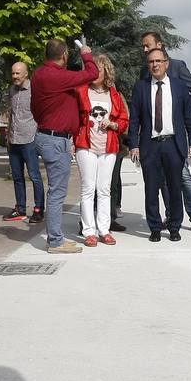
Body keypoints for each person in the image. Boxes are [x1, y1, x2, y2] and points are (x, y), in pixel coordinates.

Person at [31, 38, 98, 254]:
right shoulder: (57, 76)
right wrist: (86, 53)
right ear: (65, 56)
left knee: (55, 191)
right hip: (55, 139)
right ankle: (56, 241)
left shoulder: (39, 74)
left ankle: (54, 238)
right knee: (57, 192)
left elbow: (34, 108)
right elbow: (91, 74)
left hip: (45, 135)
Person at [129, 47, 191, 242]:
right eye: (151, 62)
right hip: (150, 146)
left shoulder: (178, 87)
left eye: (158, 61)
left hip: (173, 145)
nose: (155, 65)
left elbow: (188, 117)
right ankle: (155, 228)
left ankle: (174, 227)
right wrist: (133, 144)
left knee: (175, 188)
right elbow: (134, 119)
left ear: (166, 63)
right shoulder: (141, 87)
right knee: (151, 189)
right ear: (148, 65)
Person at [140, 30, 191, 233]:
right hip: (155, 140)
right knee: (163, 181)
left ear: (159, 44)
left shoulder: (177, 65)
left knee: (183, 176)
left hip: (175, 135)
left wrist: (183, 114)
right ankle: (170, 216)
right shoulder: (146, 70)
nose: (144, 49)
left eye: (147, 45)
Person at [74, 54, 129, 247]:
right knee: (88, 189)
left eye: (99, 69)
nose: (96, 73)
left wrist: (113, 124)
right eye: (93, 69)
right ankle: (89, 231)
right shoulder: (81, 91)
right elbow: (73, 116)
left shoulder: (113, 94)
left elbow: (123, 120)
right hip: (86, 145)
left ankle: (104, 229)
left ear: (107, 71)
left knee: (105, 190)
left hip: (109, 147)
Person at [3, 61, 45, 224]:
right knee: (17, 177)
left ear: (26, 74)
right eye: (13, 73)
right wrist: (8, 136)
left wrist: (38, 135)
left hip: (30, 139)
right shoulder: (12, 90)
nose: (14, 76)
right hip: (14, 140)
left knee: (34, 176)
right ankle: (20, 208)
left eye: (17, 73)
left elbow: (41, 114)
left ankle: (38, 209)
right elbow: (11, 114)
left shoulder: (35, 90)